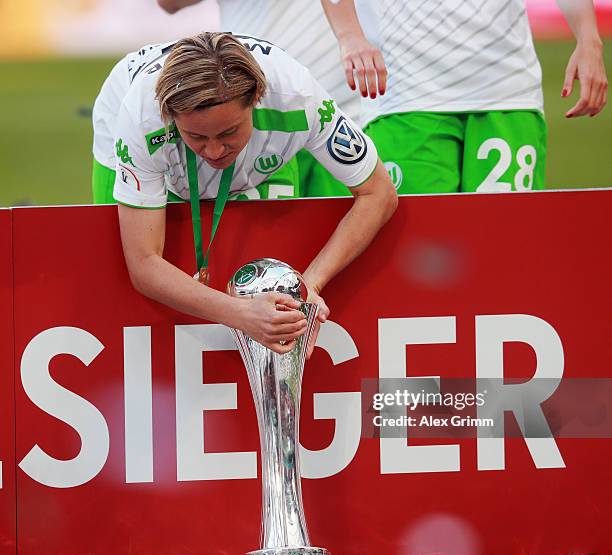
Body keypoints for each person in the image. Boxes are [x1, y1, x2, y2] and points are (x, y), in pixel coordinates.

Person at [92, 32, 397, 354]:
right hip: (141, 136)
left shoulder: (298, 96)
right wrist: (241, 314)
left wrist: (311, 285)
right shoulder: (141, 118)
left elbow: (379, 193)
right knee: (121, 277)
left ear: (256, 99)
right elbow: (143, 263)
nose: (213, 150)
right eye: (195, 136)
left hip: (263, 144)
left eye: (228, 132)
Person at [321, 0, 608, 194]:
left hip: (508, 91)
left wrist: (588, 39)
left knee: (505, 245)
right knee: (415, 254)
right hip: (404, 93)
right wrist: (350, 36)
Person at [156, 0, 360, 195]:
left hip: (342, 106)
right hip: (250, 117)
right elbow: (169, 3)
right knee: (272, 230)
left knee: (339, 219)